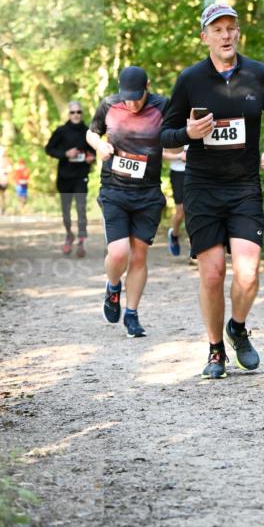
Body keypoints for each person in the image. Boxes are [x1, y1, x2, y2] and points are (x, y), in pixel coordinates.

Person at [161, 2, 264, 379]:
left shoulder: (258, 74)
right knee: (212, 274)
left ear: (238, 33)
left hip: (244, 185)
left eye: (231, 28)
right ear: (205, 37)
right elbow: (164, 133)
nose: (226, 35)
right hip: (202, 186)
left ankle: (238, 328)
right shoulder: (190, 79)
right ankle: (216, 350)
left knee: (248, 273)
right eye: (218, 29)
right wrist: (188, 134)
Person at [86, 66, 169, 338]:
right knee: (119, 252)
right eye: (128, 96)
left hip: (148, 193)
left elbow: (175, 138)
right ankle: (112, 287)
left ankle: (132, 314)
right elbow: (91, 133)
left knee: (139, 256)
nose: (132, 102)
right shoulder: (109, 104)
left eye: (137, 96)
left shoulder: (162, 106)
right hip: (115, 190)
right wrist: (100, 146)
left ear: (148, 86)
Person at [45, 102, 96, 257]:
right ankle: (69, 235)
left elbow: (93, 152)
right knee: (66, 211)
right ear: (68, 114)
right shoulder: (61, 131)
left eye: (79, 112)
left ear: (82, 113)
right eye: (73, 112)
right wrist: (65, 154)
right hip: (65, 177)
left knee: (81, 207)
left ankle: (81, 239)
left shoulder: (89, 132)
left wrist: (90, 158)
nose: (76, 115)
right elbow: (49, 149)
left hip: (81, 176)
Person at [167, 145, 187, 257]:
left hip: (198, 171)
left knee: (194, 210)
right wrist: (180, 156)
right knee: (181, 211)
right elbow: (162, 154)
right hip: (178, 172)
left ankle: (194, 249)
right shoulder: (173, 128)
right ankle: (174, 235)